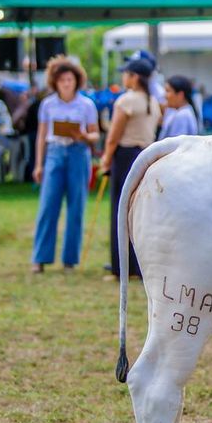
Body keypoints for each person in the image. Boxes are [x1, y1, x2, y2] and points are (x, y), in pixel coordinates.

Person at [31, 56, 100, 274]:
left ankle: (70, 259)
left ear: (76, 81)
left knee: (76, 207)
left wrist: (85, 136)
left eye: (70, 80)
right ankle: (40, 258)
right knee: (48, 206)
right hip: (55, 152)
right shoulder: (48, 104)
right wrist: (38, 164)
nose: (66, 84)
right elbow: (42, 135)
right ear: (55, 82)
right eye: (62, 80)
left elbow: (96, 133)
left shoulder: (87, 105)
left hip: (78, 153)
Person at [99, 57, 161, 279]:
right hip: (145, 156)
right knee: (141, 213)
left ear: (134, 77)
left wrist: (106, 158)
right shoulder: (153, 102)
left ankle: (121, 268)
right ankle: (139, 266)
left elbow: (113, 136)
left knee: (121, 211)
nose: (123, 77)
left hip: (125, 156)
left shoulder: (125, 101)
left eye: (126, 73)